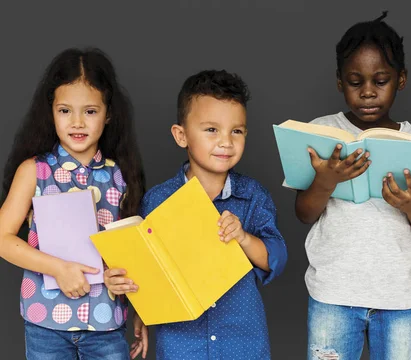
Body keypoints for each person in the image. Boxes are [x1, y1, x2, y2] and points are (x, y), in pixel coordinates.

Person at [105, 69, 287, 359]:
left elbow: (275, 259)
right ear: (181, 135)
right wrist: (127, 291)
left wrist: (242, 237)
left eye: (236, 131)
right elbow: (147, 270)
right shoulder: (157, 201)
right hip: (180, 344)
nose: (226, 141)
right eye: (212, 129)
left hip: (242, 343)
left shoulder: (253, 196)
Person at [295, 11, 411, 360]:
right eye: (354, 81)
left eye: (380, 80)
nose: (367, 93)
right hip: (333, 293)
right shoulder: (321, 132)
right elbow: (303, 213)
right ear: (339, 81)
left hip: (399, 298)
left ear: (401, 79)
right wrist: (325, 180)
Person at [0, 47, 146, 359]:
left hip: (107, 323)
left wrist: (137, 306)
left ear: (108, 114)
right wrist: (57, 268)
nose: (77, 122)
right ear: (50, 112)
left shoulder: (120, 175)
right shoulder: (34, 171)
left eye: (90, 111)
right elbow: (2, 238)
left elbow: (133, 252)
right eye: (65, 110)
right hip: (45, 324)